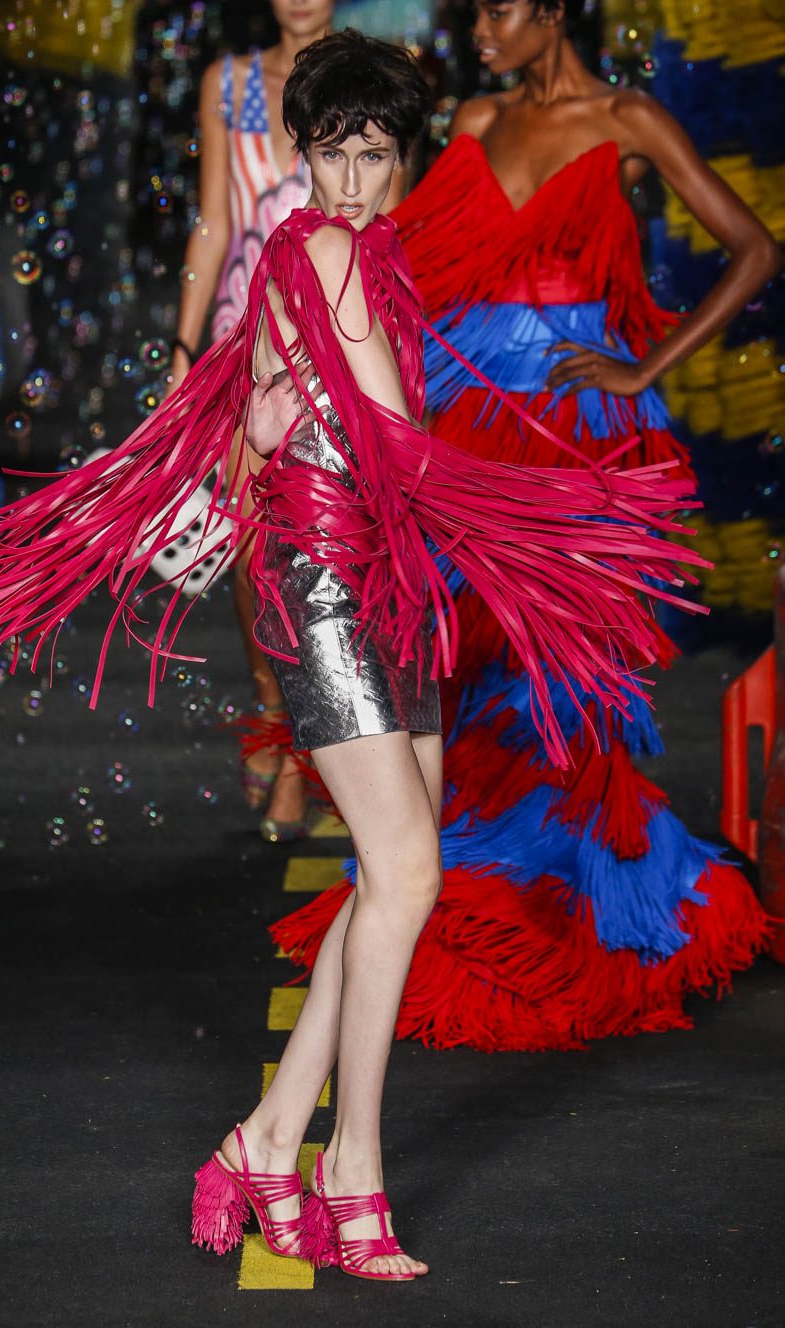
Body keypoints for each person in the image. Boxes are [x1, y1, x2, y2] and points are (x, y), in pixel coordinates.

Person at [0, 30, 706, 1280]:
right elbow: (395, 435)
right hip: (331, 590)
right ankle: (354, 1167)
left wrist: (278, 409)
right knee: (408, 871)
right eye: (333, 154)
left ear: (405, 160)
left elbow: (273, 415)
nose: (352, 181)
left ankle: (260, 1142)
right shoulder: (333, 249)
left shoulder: (351, 256)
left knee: (390, 878)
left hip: (383, 585)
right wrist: (555, 520)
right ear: (302, 152)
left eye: (376, 156)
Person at [274, 0, 777, 1053]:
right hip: (458, 418)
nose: (481, 30)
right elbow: (384, 258)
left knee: (570, 683)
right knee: (453, 668)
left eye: (500, 8)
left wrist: (641, 368)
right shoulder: (474, 120)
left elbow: (753, 247)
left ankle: (593, 915)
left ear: (552, 11)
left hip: (570, 430)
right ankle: (435, 887)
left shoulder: (627, 119)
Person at [167, 2, 334, 841]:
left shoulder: (367, 74)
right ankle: (275, 708)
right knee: (250, 548)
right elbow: (215, 220)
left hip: (337, 339)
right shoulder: (225, 83)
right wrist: (182, 346)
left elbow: (392, 219)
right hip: (244, 339)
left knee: (325, 550)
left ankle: (307, 749)